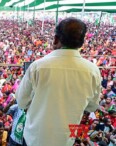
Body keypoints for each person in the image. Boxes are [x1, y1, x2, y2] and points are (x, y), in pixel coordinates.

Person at [15, 18, 102, 146]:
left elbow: (21, 101)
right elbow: (92, 106)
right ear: (81, 43)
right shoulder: (92, 71)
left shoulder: (38, 67)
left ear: (56, 39)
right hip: (66, 140)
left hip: (34, 138)